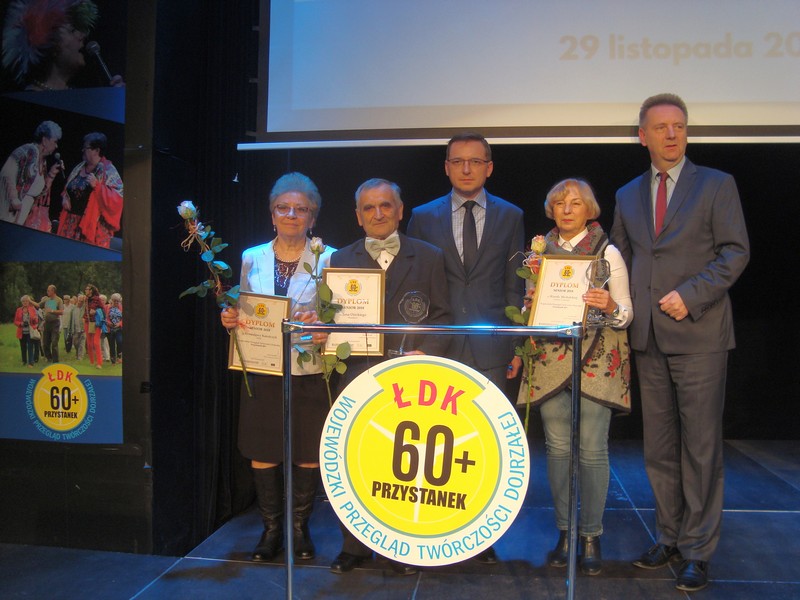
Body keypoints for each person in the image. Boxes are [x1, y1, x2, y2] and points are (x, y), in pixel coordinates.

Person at [611, 93, 750, 592]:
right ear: (642, 136)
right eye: (661, 127)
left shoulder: (716, 184)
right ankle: (669, 537)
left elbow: (735, 252)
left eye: (679, 126)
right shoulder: (627, 193)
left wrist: (690, 296)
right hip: (647, 337)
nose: (672, 134)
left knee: (701, 448)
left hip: (699, 334)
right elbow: (620, 260)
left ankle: (697, 550)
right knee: (660, 448)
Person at [406, 131, 524, 564]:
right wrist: (417, 342)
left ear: (489, 167)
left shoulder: (511, 215)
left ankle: (478, 536)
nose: (467, 169)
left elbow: (515, 285)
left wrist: (517, 346)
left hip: (492, 346)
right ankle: (434, 527)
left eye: (476, 161)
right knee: (437, 443)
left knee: (484, 443)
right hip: (438, 344)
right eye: (458, 161)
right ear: (447, 167)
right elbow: (415, 286)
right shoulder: (423, 216)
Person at [328, 178, 452, 576]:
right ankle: (353, 546)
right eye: (369, 207)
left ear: (400, 210)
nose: (378, 213)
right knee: (356, 458)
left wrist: (426, 354)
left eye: (385, 205)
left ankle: (399, 545)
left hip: (410, 377)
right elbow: (331, 321)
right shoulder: (339, 259)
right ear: (358, 216)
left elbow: (443, 317)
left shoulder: (429, 256)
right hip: (357, 374)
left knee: (403, 464)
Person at [509, 179, 633, 575]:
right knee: (558, 449)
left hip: (596, 357)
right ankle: (566, 532)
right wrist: (529, 308)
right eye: (560, 203)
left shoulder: (607, 252)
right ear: (551, 210)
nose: (566, 209)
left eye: (575, 203)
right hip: (549, 358)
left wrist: (609, 304)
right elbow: (529, 309)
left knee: (592, 449)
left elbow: (626, 313)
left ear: (589, 210)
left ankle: (591, 536)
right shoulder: (538, 255)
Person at [220, 172, 335, 563]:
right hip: (262, 366)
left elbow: (338, 314)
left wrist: (325, 326)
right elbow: (242, 307)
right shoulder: (251, 256)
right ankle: (271, 530)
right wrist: (230, 318)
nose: (291, 215)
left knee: (306, 448)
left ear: (312, 217)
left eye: (300, 209)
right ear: (272, 215)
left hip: (309, 366)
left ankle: (299, 529)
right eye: (283, 208)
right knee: (263, 446)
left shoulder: (329, 257)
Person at [1, 0, 125, 91]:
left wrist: (117, 98)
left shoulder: (83, 97)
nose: (82, 35)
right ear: (49, 45)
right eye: (72, 30)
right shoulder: (25, 102)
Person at [56, 132, 123, 248]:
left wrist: (98, 187)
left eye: (86, 148)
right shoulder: (79, 167)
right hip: (70, 224)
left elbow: (119, 199)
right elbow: (68, 188)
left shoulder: (108, 170)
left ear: (96, 150)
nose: (82, 150)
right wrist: (65, 197)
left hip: (91, 228)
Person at [0, 120, 63, 228]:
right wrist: (14, 199)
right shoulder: (28, 150)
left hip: (23, 214)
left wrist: (51, 175)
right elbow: (7, 173)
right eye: (55, 142)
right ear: (45, 140)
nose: (56, 146)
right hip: (9, 212)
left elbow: (39, 193)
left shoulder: (43, 162)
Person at [40, 284, 64, 363]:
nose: (47, 292)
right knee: (45, 343)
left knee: (54, 342)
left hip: (55, 323)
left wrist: (52, 311)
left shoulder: (59, 300)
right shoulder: (46, 299)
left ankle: (55, 361)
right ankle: (49, 358)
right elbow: (38, 305)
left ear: (53, 291)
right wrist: (29, 301)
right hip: (47, 323)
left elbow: (61, 312)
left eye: (48, 290)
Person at [14, 295, 39, 368]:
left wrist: (34, 319)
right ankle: (24, 361)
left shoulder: (32, 309)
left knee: (30, 347)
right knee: (23, 347)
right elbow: (15, 321)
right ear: (21, 302)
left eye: (26, 301)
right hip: (21, 332)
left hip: (30, 332)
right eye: (23, 301)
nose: (25, 302)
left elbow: (36, 321)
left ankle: (31, 363)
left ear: (29, 302)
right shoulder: (18, 310)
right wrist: (21, 323)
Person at [83, 283, 104, 368]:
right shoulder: (86, 299)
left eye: (86, 289)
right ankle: (92, 362)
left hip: (96, 323)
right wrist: (84, 317)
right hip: (88, 322)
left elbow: (103, 310)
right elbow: (85, 310)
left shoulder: (97, 299)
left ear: (91, 291)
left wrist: (96, 311)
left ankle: (99, 363)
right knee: (89, 344)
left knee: (96, 342)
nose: (85, 291)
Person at [107, 292, 122, 364]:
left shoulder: (121, 307)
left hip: (119, 328)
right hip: (110, 328)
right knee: (111, 344)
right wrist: (108, 322)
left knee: (120, 341)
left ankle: (119, 357)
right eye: (114, 300)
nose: (116, 302)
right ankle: (113, 360)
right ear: (112, 300)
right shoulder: (108, 307)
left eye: (117, 301)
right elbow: (105, 317)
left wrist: (119, 324)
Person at [70, 293, 86, 361]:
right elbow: (71, 319)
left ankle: (80, 357)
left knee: (81, 343)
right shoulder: (73, 309)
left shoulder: (85, 308)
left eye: (82, 301)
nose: (80, 302)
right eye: (79, 301)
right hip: (75, 329)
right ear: (77, 300)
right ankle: (77, 353)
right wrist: (70, 328)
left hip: (83, 329)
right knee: (76, 343)